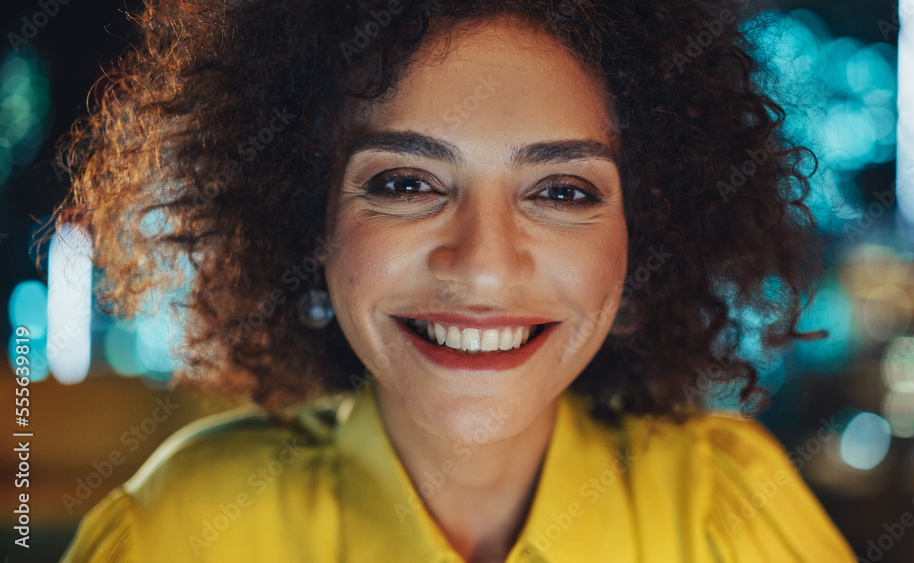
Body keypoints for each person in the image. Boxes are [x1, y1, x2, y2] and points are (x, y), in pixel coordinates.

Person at [55, 0, 854, 561]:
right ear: (309, 221)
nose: (481, 263)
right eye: (405, 183)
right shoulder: (180, 530)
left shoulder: (726, 510)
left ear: (643, 236)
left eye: (563, 191)